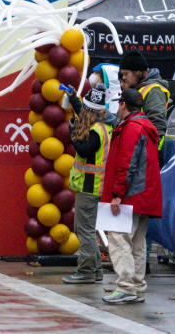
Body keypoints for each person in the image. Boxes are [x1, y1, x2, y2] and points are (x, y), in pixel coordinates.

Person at [100, 88, 162, 304]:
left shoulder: (131, 128)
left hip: (130, 196)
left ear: (123, 104)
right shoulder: (146, 127)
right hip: (144, 196)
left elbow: (126, 163)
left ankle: (126, 287)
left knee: (118, 239)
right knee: (137, 242)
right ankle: (136, 288)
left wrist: (117, 194)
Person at [61, 84, 110, 285]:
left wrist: (73, 131)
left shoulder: (96, 132)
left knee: (84, 229)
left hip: (91, 184)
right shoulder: (103, 126)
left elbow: (83, 149)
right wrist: (73, 97)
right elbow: (84, 109)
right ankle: (95, 269)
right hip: (96, 184)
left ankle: (87, 270)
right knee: (88, 228)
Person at [118, 51, 169, 139]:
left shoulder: (154, 91)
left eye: (126, 73)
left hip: (144, 149)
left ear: (138, 72)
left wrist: (146, 148)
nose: (123, 78)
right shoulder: (139, 88)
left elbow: (157, 125)